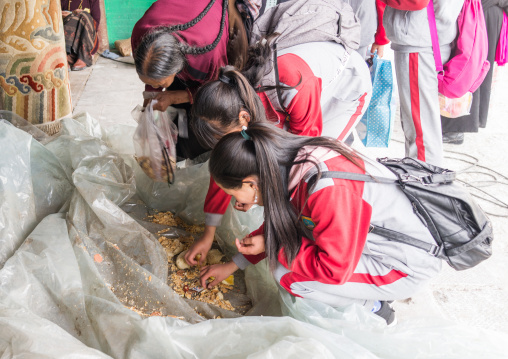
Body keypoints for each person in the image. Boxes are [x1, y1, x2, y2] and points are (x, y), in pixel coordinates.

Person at [198, 122, 442, 325]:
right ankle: (365, 292)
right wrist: (234, 264)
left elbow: (332, 269)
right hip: (366, 247)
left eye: (232, 193)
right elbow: (285, 222)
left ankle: (375, 308)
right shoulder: (289, 162)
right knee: (288, 254)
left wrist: (272, 246)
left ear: (251, 184)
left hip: (403, 265)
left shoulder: (326, 189)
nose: (235, 201)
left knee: (287, 274)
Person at [184, 32, 373, 264]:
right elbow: (225, 167)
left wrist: (258, 199)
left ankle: (325, 245)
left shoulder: (291, 86)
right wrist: (208, 234)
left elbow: (298, 163)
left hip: (344, 88)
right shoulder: (234, 106)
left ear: (245, 118)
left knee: (309, 181)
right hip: (298, 93)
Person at [381, 0, 465, 166]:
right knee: (421, 122)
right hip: (429, 35)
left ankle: (424, 182)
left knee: (421, 127)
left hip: (420, 40)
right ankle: (424, 177)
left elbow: (416, 1)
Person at [441, 0, 508, 144]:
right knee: (470, 66)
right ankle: (459, 123)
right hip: (483, 10)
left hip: (481, 11)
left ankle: (456, 127)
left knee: (466, 67)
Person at [61, 0, 101, 71]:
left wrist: (79, 15)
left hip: (88, 38)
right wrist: (65, 14)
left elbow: (96, 24)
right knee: (72, 17)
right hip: (68, 37)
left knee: (84, 15)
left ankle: (83, 57)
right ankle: (66, 56)